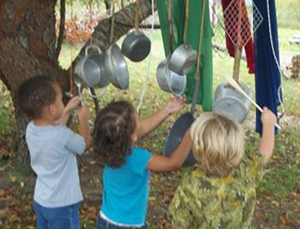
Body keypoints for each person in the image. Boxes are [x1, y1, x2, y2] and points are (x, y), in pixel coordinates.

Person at [168, 108, 277, 228]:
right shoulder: (246, 171)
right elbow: (265, 153)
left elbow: (178, 224)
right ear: (237, 150)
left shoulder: (190, 184)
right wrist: (268, 124)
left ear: (198, 150)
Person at [93, 98, 192, 228]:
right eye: (138, 121)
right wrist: (191, 134)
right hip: (130, 225)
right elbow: (172, 163)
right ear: (133, 136)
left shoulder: (108, 148)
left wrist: (166, 110)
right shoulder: (138, 158)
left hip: (105, 220)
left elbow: (140, 129)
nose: (141, 123)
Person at [17, 75, 91, 229]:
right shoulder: (62, 135)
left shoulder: (31, 128)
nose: (63, 102)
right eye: (60, 100)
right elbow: (84, 145)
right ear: (52, 109)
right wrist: (83, 119)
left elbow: (54, 130)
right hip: (61, 205)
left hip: (42, 201)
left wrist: (66, 110)